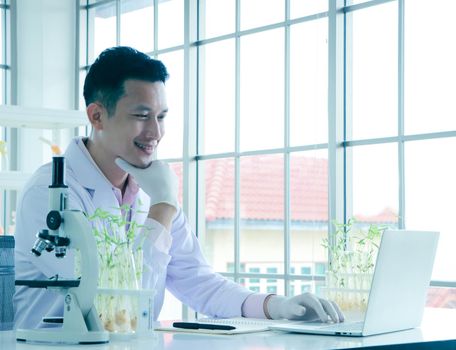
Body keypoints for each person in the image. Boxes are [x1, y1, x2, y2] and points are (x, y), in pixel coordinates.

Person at [14, 46, 344, 329]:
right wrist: (163, 207)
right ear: (97, 116)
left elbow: (201, 283)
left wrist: (277, 306)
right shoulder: (49, 194)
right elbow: (114, 300)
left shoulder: (151, 191)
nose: (155, 132)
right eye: (142, 115)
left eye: (162, 116)